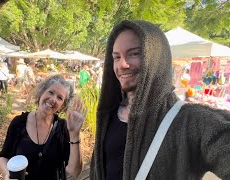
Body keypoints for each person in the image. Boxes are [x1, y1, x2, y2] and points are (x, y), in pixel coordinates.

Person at [90, 20, 230, 180]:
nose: (122, 64)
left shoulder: (189, 121)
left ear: (156, 58)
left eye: (134, 53)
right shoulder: (110, 113)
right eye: (116, 57)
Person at [0, 75, 87, 180]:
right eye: (51, 92)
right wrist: (6, 174)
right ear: (41, 92)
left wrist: (75, 133)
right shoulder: (19, 122)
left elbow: (74, 171)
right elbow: (3, 157)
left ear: (62, 105)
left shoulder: (63, 127)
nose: (53, 99)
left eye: (59, 98)